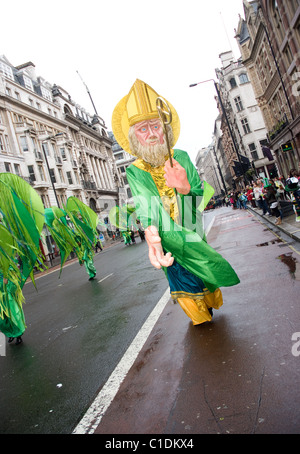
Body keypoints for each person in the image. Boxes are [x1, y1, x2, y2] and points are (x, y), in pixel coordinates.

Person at [112, 79, 239, 325]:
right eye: (142, 129)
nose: (151, 134)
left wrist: (183, 187)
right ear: (134, 137)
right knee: (180, 274)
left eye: (155, 126)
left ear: (164, 128)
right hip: (168, 234)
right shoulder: (136, 170)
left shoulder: (179, 156)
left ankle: (208, 302)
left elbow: (197, 195)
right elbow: (145, 205)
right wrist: (154, 239)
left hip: (191, 228)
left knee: (202, 268)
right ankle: (199, 313)